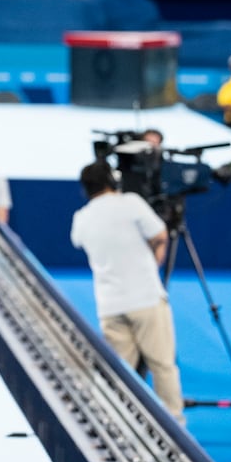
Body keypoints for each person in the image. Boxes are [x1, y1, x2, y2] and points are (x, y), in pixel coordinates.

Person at [69, 159, 185, 424]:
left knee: (119, 373)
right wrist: (155, 261)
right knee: (163, 366)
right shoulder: (131, 203)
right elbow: (160, 234)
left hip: (110, 305)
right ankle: (176, 426)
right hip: (145, 299)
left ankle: (115, 424)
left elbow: (77, 241)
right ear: (113, 180)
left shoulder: (81, 218)